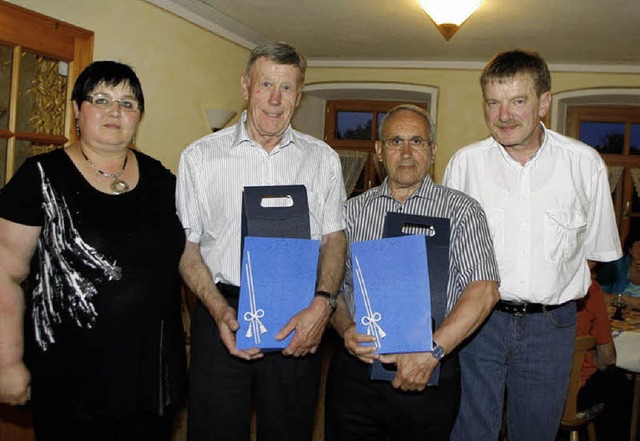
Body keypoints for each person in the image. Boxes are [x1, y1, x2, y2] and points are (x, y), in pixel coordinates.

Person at [0, 61, 186, 440]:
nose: (115, 112)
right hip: (70, 379)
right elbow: (5, 273)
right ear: (76, 111)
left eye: (128, 103)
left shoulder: (161, 179)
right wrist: (7, 362)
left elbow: (185, 253)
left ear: (139, 117)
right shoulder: (38, 177)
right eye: (101, 99)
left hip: (150, 377)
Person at [444, 49, 622, 441]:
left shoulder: (584, 164)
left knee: (537, 433)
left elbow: (595, 255)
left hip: (552, 326)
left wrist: (548, 286)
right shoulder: (464, 164)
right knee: (471, 431)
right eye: (493, 102)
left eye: (518, 101)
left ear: (544, 103)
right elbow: (449, 253)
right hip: (480, 324)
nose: (503, 114)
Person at [176, 41, 347, 441]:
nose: (274, 99)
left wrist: (322, 306)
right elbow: (187, 248)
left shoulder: (322, 159)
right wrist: (218, 311)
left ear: (299, 96)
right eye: (266, 84)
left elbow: (334, 239)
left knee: (290, 430)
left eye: (287, 88)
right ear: (245, 85)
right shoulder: (199, 157)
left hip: (297, 314)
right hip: (221, 310)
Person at [324, 104, 501, 441]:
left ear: (433, 151)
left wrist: (431, 352)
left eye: (417, 142)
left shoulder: (462, 211)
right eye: (395, 142)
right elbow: (335, 288)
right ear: (378, 150)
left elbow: (485, 291)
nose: (406, 153)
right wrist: (345, 327)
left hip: (430, 372)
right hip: (356, 374)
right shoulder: (350, 212)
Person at [576, 280, 632, 441]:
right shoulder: (590, 288)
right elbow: (608, 358)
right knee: (618, 381)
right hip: (575, 393)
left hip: (534, 389)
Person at [597, 229, 640, 309]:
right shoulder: (616, 266)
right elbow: (597, 296)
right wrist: (633, 302)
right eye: (639, 246)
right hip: (616, 315)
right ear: (630, 249)